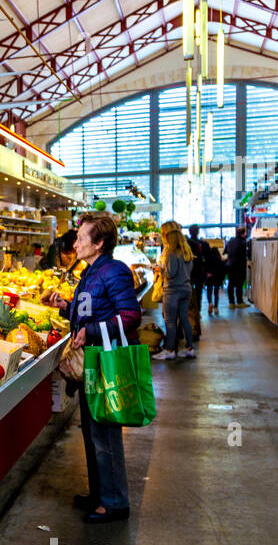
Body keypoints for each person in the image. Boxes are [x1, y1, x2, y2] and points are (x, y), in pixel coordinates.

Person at [42, 212, 142, 524]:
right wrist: (65, 306)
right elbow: (89, 311)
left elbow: (130, 315)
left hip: (104, 362)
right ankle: (100, 494)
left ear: (99, 243)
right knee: (92, 432)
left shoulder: (114, 272)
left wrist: (94, 331)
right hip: (91, 362)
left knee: (105, 435)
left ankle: (114, 503)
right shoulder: (92, 272)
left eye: (82, 238)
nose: (76, 243)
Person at [154, 227, 195, 361]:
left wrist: (160, 269)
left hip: (172, 291)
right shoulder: (187, 253)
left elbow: (170, 274)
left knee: (170, 321)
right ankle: (190, 348)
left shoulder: (172, 254)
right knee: (184, 319)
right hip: (186, 289)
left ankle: (170, 350)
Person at [225, 225, 250, 307]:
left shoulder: (230, 241)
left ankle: (231, 302)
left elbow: (225, 252)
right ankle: (239, 302)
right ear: (244, 233)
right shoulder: (244, 243)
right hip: (239, 266)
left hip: (230, 265)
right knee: (239, 284)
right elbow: (247, 254)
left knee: (231, 284)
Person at [204, 234, 226, 314]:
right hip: (217, 278)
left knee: (209, 291)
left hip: (209, 277)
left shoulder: (208, 260)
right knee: (216, 293)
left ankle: (210, 303)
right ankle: (216, 307)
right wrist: (222, 278)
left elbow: (205, 268)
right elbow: (223, 270)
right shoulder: (220, 260)